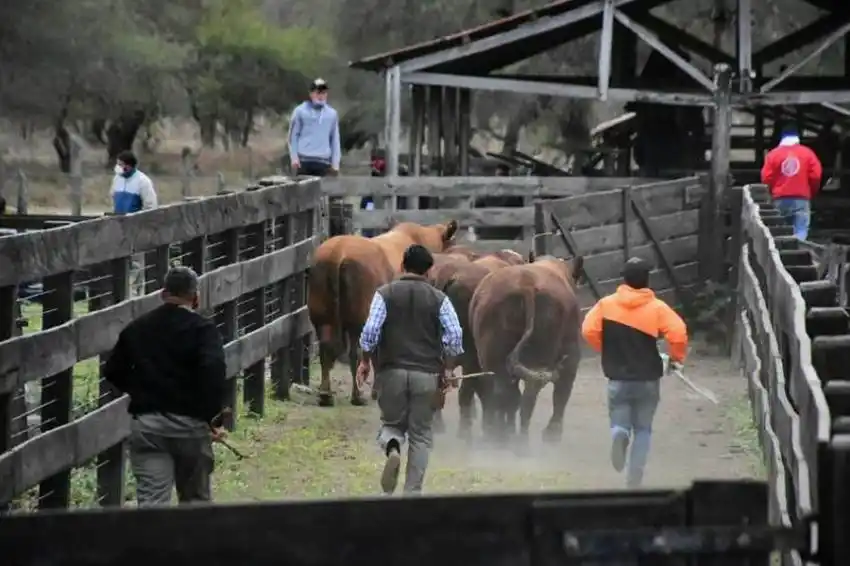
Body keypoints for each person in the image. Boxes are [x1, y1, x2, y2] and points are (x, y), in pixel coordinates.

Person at [103, 266, 227, 506]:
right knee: (195, 502)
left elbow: (113, 370)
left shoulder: (137, 328)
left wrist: (141, 390)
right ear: (196, 297)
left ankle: (152, 543)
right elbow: (213, 372)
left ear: (163, 293)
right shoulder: (203, 330)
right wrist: (213, 418)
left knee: (152, 503)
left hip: (148, 427)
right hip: (190, 427)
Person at [356, 244, 464, 495]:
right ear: (429, 271)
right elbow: (455, 335)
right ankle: (412, 492)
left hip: (391, 373)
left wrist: (364, 361)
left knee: (391, 424)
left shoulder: (384, 294)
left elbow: (371, 332)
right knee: (421, 435)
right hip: (427, 376)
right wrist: (448, 370)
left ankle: (393, 446)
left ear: (402, 266)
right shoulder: (440, 299)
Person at [580, 257, 688, 489]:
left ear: (624, 279)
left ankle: (619, 434)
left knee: (619, 419)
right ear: (647, 280)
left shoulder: (606, 305)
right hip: (648, 379)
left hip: (617, 379)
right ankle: (634, 477)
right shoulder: (658, 308)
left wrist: (607, 349)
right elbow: (678, 333)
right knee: (643, 429)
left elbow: (588, 329)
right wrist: (677, 359)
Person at [761, 126, 822, 240]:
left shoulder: (773, 155)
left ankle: (781, 254)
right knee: (801, 230)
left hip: (779, 198)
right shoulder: (808, 153)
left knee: (779, 230)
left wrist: (771, 192)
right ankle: (798, 251)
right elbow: (816, 175)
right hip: (801, 198)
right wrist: (811, 191)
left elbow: (766, 178)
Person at [111, 150, 158, 296]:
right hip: (119, 227)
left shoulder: (143, 182)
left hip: (136, 228)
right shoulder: (117, 179)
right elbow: (113, 197)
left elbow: (150, 205)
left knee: (136, 265)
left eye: (121, 164)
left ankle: (136, 295)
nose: (118, 167)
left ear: (129, 166)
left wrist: (141, 223)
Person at [288, 78, 341, 177]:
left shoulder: (332, 114)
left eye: (324, 93)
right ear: (311, 94)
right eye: (318, 92)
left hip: (323, 162)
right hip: (304, 161)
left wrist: (335, 163)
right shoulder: (300, 111)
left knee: (322, 192)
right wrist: (294, 158)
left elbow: (335, 140)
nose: (321, 96)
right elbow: (293, 136)